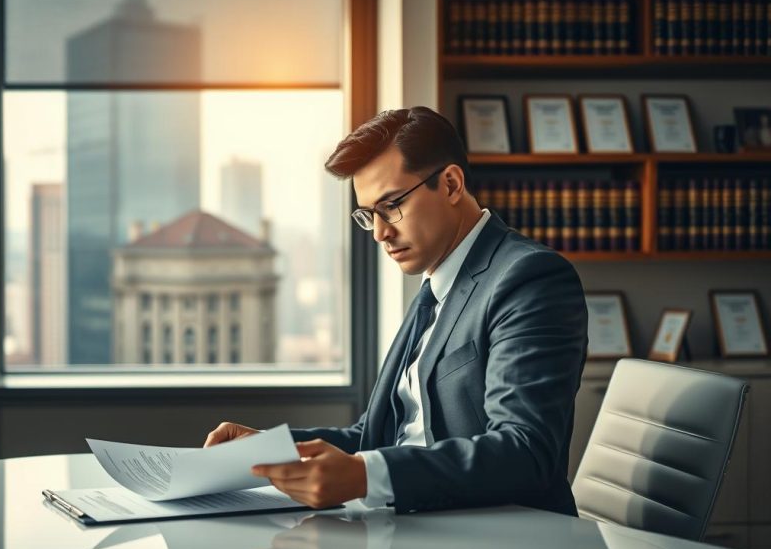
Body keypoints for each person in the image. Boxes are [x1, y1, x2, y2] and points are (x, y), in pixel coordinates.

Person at [205, 106, 588, 516]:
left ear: (451, 184)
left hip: (503, 543)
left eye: (391, 206)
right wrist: (269, 449)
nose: (380, 233)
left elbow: (525, 451)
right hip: (414, 528)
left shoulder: (529, 278)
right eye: (368, 215)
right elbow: (377, 436)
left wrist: (366, 477)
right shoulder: (435, 287)